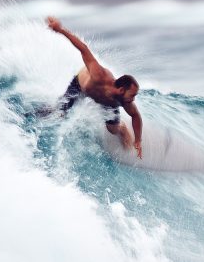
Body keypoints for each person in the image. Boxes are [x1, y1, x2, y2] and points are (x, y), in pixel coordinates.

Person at [47, 16, 143, 159]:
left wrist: (138, 140)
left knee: (113, 129)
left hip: (107, 102)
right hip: (80, 86)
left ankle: (123, 131)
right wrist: (60, 30)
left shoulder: (124, 101)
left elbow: (136, 116)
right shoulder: (99, 75)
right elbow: (83, 48)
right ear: (122, 90)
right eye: (132, 95)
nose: (133, 99)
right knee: (60, 112)